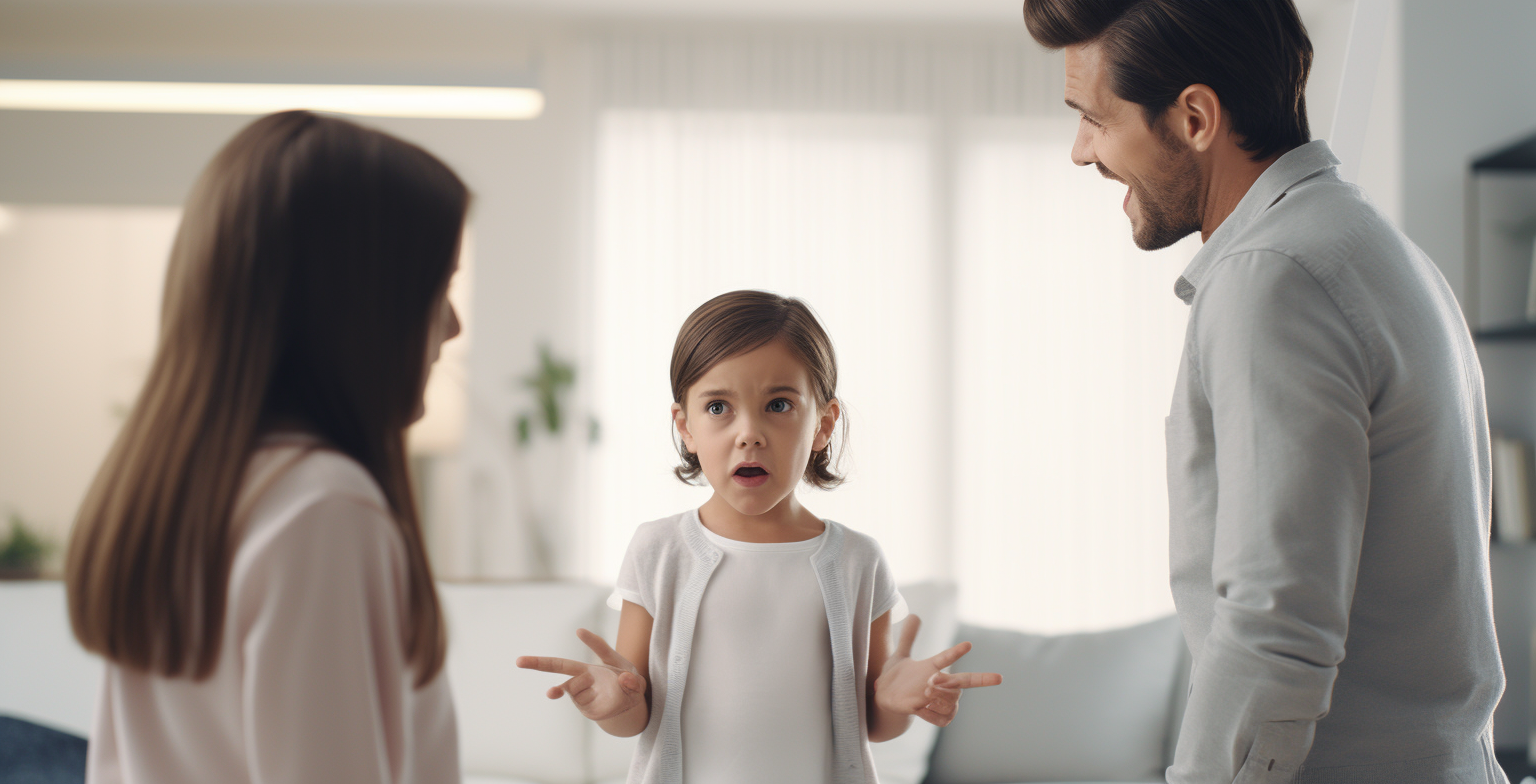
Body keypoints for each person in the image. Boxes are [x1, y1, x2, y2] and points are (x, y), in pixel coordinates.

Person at [1020, 0, 1507, 781]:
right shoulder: (1373, 250)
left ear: (1195, 117)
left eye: (1097, 119)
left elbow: (1274, 625)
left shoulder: (1272, 276)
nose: (1082, 152)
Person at [64, 110, 468, 784]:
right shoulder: (326, 510)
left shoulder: (185, 491)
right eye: (436, 289)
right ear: (353, 304)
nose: (452, 326)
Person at [517, 290, 1002, 784]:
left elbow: (875, 724)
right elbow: (635, 716)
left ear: (823, 424)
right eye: (718, 407)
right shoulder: (658, 549)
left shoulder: (858, 560)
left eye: (778, 404)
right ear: (685, 426)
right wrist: (613, 703)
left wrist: (899, 701)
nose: (749, 433)